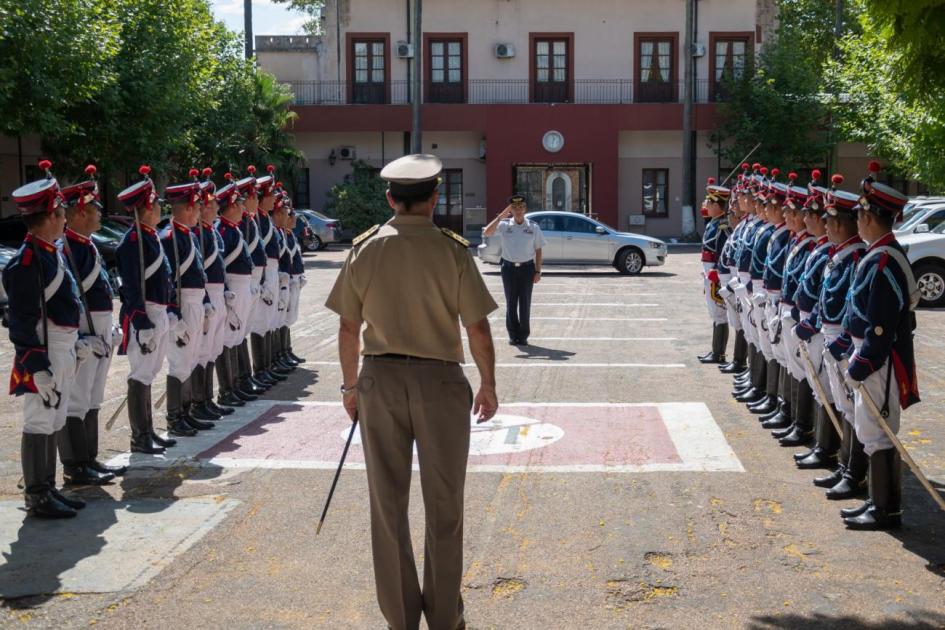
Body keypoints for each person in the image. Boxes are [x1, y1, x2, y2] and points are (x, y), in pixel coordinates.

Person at [326, 154, 498, 630]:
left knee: (387, 504)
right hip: (440, 382)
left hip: (379, 380)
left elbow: (347, 327)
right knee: (445, 505)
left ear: (389, 199)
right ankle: (445, 618)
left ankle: (401, 619)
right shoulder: (452, 250)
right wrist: (488, 383)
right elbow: (478, 328)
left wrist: (349, 387)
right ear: (434, 197)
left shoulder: (364, 248)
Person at [839, 162, 919, 530]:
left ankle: (886, 509)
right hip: (870, 359)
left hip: (879, 362)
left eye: (860, 214)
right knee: (870, 431)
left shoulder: (884, 259)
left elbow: (881, 328)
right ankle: (877, 501)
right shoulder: (878, 254)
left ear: (871, 217)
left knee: (879, 433)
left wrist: (862, 362)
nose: (856, 220)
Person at [4, 160, 86, 518]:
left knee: (55, 419)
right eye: (61, 212)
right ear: (51, 215)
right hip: (44, 349)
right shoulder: (25, 263)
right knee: (39, 419)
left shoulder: (51, 254)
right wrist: (36, 366)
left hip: (62, 346)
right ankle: (37, 494)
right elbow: (21, 322)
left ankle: (49, 487)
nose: (65, 217)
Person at [794, 175, 867, 500]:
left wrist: (842, 343)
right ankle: (841, 461)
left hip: (842, 340)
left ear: (843, 224)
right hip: (828, 332)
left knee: (852, 408)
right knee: (835, 398)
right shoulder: (841, 254)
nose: (822, 224)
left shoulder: (855, 258)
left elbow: (854, 307)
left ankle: (851, 470)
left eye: (829, 219)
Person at [60, 165, 126, 485]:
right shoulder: (67, 249)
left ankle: (90, 458)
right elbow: (70, 298)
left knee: (93, 396)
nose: (101, 214)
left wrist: (108, 327)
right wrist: (82, 336)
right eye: (96, 208)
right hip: (83, 332)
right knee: (76, 398)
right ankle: (75, 464)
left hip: (98, 328)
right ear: (80, 211)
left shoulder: (87, 245)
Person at [115, 165, 177, 455]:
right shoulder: (133, 241)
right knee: (140, 373)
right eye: (155, 204)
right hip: (145, 315)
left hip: (158, 311)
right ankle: (140, 436)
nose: (159, 208)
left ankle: (149, 430)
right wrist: (141, 322)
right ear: (146, 207)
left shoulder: (150, 236)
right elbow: (131, 288)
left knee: (150, 372)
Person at [160, 179, 215, 437]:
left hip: (194, 300)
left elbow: (198, 272)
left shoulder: (187, 235)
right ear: (186, 209)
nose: (199, 213)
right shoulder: (170, 238)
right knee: (180, 361)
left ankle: (187, 411)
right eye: (196, 207)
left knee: (191, 359)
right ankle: (175, 416)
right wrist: (174, 313)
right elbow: (168, 279)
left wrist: (204, 302)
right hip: (181, 302)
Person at [194, 168, 234, 418]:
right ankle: (197, 403)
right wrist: (207, 300)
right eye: (211, 204)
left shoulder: (210, 232)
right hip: (204, 297)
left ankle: (206, 400)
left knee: (212, 349)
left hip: (217, 294)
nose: (216, 207)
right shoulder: (198, 233)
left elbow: (220, 266)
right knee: (199, 353)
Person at [482, 194, 546, 345]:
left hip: (527, 269)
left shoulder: (533, 227)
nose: (518, 210)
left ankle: (523, 336)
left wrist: (537, 271)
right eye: (515, 208)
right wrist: (501, 215)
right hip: (509, 269)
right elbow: (487, 232)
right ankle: (513, 334)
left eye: (521, 207)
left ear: (525, 209)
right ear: (511, 210)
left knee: (525, 303)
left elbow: (538, 250)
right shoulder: (504, 225)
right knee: (511, 303)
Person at [215, 174, 257, 407]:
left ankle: (237, 384)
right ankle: (227, 389)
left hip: (242, 286)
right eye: (240, 204)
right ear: (230, 205)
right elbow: (220, 264)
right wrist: (227, 290)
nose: (243, 207)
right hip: (231, 286)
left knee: (237, 334)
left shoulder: (233, 229)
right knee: (228, 337)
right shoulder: (222, 230)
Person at [697, 179, 731, 364]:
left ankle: (719, 353)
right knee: (714, 312)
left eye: (710, 202)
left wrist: (717, 271)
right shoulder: (713, 222)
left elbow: (723, 251)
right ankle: (715, 351)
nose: (706, 205)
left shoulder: (722, 226)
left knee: (719, 313)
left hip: (715, 274)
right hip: (708, 272)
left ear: (718, 205)